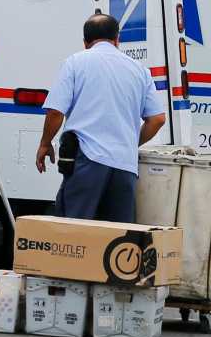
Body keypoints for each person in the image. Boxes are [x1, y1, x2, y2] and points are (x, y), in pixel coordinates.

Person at [35, 14, 167, 223]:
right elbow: (157, 119)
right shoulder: (140, 71)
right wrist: (131, 143)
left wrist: (44, 143)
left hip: (87, 161)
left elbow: (55, 112)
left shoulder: (75, 63)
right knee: (115, 239)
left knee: (74, 231)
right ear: (117, 40)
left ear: (86, 42)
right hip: (125, 166)